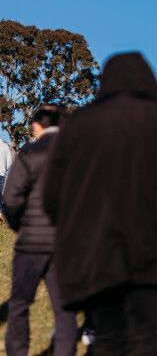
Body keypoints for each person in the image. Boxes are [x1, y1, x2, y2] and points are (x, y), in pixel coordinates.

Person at [42, 52, 157, 355]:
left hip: (96, 252)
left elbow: (52, 194)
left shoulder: (79, 124)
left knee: (108, 341)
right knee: (151, 338)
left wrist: (76, 234)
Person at [3, 105, 77, 356]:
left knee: (19, 305)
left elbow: (11, 198)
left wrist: (19, 226)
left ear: (37, 125)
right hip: (65, 242)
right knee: (64, 309)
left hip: (31, 242)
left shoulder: (29, 152)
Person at [0, 137, 13, 221]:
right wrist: (4, 169)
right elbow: (10, 161)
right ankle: (2, 214)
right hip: (2, 174)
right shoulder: (5, 146)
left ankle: (2, 214)